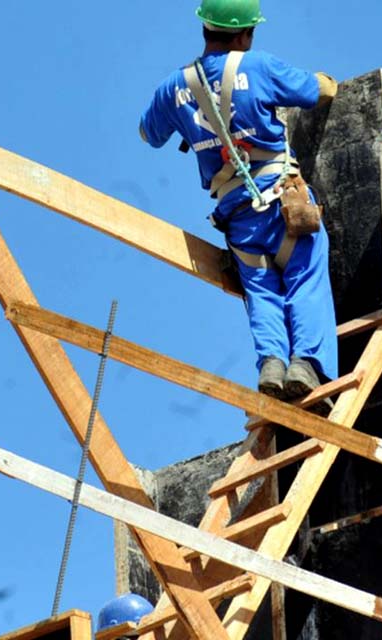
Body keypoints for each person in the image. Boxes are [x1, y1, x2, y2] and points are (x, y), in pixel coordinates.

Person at [139, 0, 339, 409]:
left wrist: (189, 121)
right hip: (282, 198)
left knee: (261, 288)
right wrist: (326, 81)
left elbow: (148, 134)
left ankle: (271, 364)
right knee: (305, 274)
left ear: (204, 29)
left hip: (237, 217)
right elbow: (317, 90)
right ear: (246, 34)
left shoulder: (173, 88)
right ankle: (305, 364)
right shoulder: (261, 67)